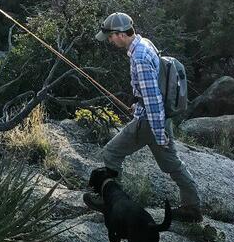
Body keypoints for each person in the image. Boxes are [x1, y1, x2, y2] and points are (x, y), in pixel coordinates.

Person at [83, 12, 203, 222]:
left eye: (110, 36)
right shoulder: (144, 44)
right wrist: (138, 106)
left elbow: (154, 100)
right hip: (157, 118)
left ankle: (110, 203)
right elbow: (151, 91)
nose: (110, 41)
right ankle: (192, 207)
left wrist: (159, 133)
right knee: (172, 164)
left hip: (151, 122)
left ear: (120, 34)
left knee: (111, 152)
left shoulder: (139, 58)